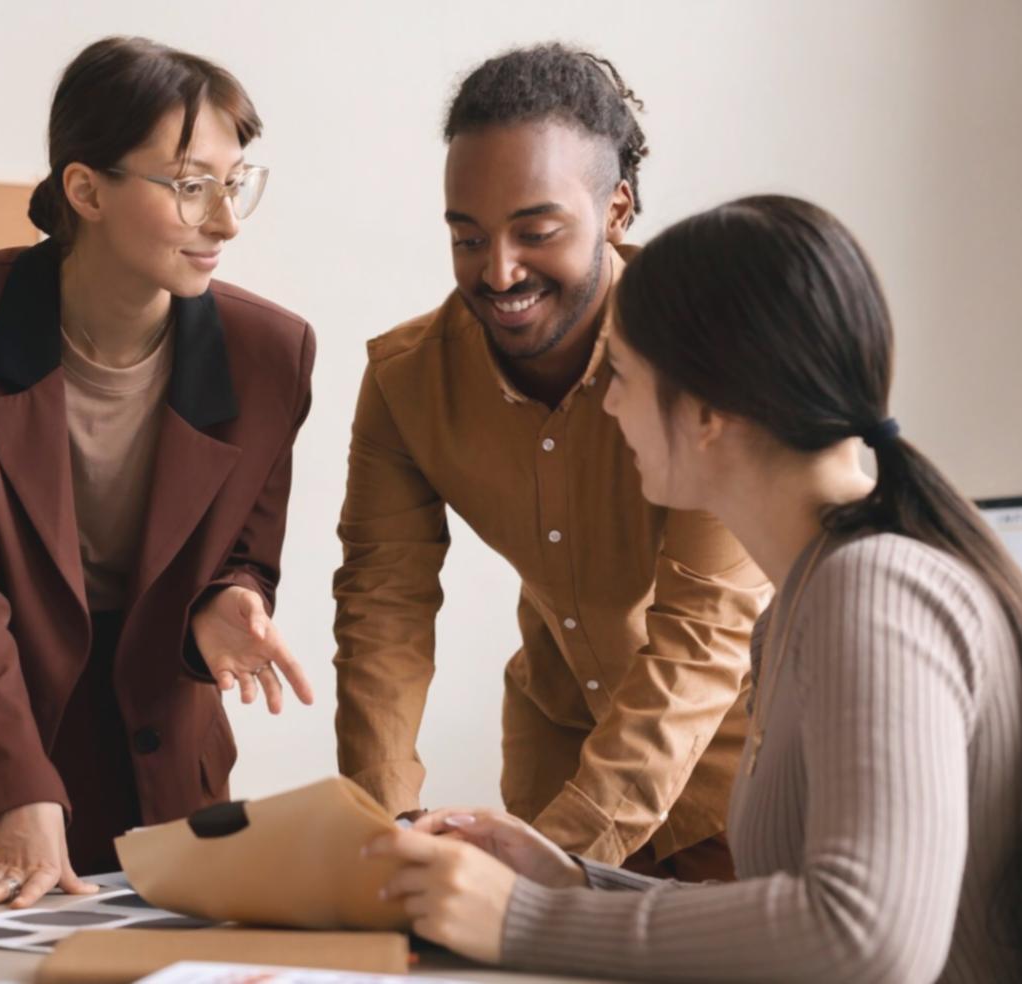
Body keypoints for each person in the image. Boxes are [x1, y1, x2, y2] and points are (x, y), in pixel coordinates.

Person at [367, 195, 1022, 982]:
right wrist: (571, 878)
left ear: (708, 411)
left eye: (619, 373)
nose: (609, 402)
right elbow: (796, 915)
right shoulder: (807, 594)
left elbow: (869, 940)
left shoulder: (873, 589)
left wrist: (528, 918)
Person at [0, 36, 316, 910]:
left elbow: (247, 550)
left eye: (234, 185)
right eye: (190, 186)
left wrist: (226, 598)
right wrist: (18, 785)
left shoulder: (271, 355)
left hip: (165, 730)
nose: (225, 223)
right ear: (85, 189)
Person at [333, 43, 767, 880]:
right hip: (555, 758)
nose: (497, 272)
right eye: (467, 238)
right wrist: (385, 820)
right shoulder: (405, 379)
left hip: (744, 771)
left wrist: (554, 857)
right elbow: (381, 606)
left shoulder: (709, 362)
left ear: (616, 210)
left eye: (535, 232)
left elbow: (702, 634)